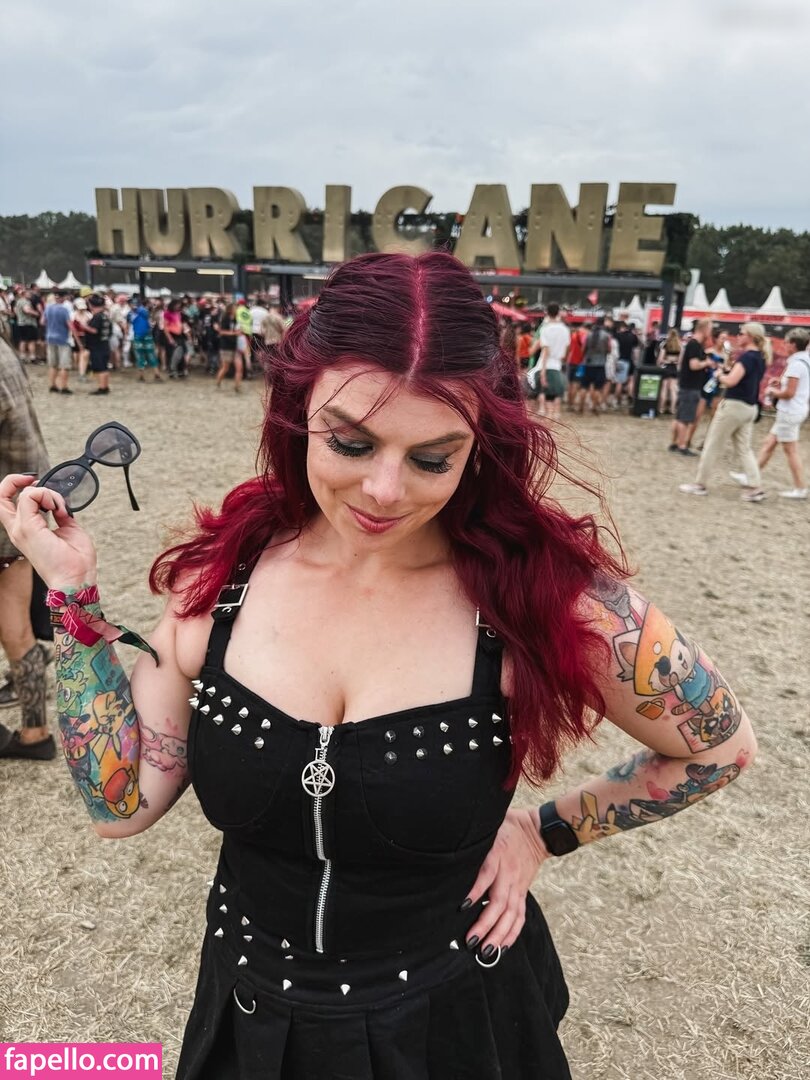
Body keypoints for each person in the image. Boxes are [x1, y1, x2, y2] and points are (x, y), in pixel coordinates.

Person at [0, 252, 757, 1080]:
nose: (385, 490)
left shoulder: (550, 600)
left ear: (482, 444)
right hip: (253, 1022)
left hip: (454, 1022)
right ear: (297, 411)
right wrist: (69, 596)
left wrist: (542, 833)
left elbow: (720, 745)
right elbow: (121, 804)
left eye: (433, 458)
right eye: (351, 442)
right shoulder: (220, 583)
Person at [0, 336, 54, 760]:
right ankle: (36, 733)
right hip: (18, 507)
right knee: (16, 626)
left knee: (15, 626)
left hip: (8, 504)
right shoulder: (4, 348)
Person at [680, 321, 769, 501]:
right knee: (744, 449)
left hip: (734, 406)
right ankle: (755, 486)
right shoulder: (760, 357)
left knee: (712, 445)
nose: (738, 336)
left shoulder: (747, 358)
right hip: (749, 407)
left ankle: (700, 484)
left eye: (741, 333)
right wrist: (728, 371)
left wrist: (720, 375)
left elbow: (731, 381)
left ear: (751, 336)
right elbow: (742, 378)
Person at [729, 327, 809, 499]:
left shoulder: (796, 364)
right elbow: (795, 385)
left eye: (786, 342)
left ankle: (800, 488)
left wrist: (773, 392)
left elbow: (789, 393)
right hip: (795, 410)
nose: (784, 345)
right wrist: (780, 382)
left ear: (793, 344)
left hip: (789, 411)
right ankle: (751, 476)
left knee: (790, 451)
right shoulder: (804, 360)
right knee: (769, 444)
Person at [671, 319, 715, 456]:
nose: (711, 332)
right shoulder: (694, 345)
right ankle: (682, 446)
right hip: (690, 387)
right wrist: (706, 363)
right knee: (685, 418)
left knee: (680, 416)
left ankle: (675, 443)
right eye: (710, 329)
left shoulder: (694, 344)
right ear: (704, 329)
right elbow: (694, 365)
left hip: (688, 385)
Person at [528, 302, 570, 420]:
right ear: (558, 313)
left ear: (547, 312)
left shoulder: (545, 329)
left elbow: (545, 350)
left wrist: (542, 373)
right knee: (553, 397)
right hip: (557, 366)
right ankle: (553, 415)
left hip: (544, 366)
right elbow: (566, 350)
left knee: (543, 399)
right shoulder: (565, 330)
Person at [44, 290, 73, 395]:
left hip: (50, 337)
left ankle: (52, 385)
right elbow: (69, 325)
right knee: (64, 365)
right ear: (63, 297)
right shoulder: (64, 310)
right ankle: (64, 387)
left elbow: (42, 321)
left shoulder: (48, 308)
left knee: (53, 364)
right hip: (63, 339)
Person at [128, 296, 162, 382]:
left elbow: (147, 316)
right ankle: (142, 376)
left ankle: (156, 374)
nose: (133, 305)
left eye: (134, 304)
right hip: (138, 335)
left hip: (146, 335)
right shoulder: (130, 314)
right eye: (131, 304)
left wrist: (137, 309)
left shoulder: (142, 311)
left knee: (150, 354)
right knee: (141, 355)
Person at [83, 294, 112, 395]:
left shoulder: (97, 317)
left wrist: (84, 326)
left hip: (97, 345)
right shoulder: (105, 316)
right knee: (104, 366)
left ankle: (102, 387)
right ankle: (105, 386)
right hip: (105, 343)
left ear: (91, 305)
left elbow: (94, 330)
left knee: (100, 368)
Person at [215, 301, 242, 391]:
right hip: (226, 346)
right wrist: (234, 333)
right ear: (230, 309)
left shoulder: (236, 319)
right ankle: (218, 382)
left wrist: (239, 332)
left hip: (235, 346)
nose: (236, 309)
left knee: (239, 367)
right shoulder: (225, 318)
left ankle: (237, 386)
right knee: (225, 367)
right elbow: (221, 332)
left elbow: (236, 330)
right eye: (235, 307)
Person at [657, 327, 681, 419]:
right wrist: (673, 361)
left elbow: (660, 359)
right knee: (673, 389)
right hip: (674, 368)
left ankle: (661, 408)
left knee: (664, 389)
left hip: (666, 368)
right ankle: (672, 409)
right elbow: (679, 361)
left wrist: (665, 361)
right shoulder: (679, 346)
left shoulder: (665, 344)